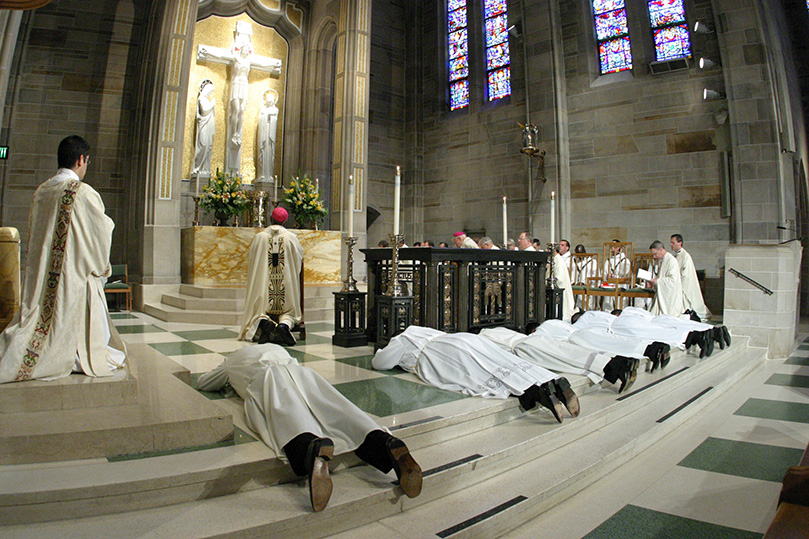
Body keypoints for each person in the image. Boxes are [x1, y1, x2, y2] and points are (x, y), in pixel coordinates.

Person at [197, 344, 422, 512]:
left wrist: (228, 373)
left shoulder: (233, 359)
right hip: (304, 375)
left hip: (267, 379)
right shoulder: (277, 348)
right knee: (341, 413)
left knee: (289, 418)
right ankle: (385, 442)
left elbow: (206, 383)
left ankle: (310, 448)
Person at [0, 135, 126, 383]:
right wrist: (102, 269)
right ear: (82, 159)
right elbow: (100, 235)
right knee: (87, 338)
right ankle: (74, 354)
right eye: (87, 162)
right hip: (72, 278)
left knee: (39, 325)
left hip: (41, 279)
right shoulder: (83, 193)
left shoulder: (42, 191)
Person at [372, 325, 579, 423]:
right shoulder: (417, 328)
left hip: (442, 353)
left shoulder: (401, 339)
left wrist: (381, 349)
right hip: (462, 339)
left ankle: (535, 393)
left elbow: (381, 363)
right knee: (500, 361)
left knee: (480, 374)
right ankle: (548, 382)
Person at [480, 326, 639, 393]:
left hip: (527, 348)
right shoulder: (496, 331)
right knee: (571, 355)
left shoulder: (483, 336)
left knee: (568, 360)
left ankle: (613, 367)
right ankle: (616, 365)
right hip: (532, 342)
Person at [239, 207, 303, 346]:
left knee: (259, 308)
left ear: (270, 219)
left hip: (264, 289)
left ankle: (263, 322)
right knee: (289, 311)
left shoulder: (260, 237)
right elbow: (299, 259)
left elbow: (252, 259)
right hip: (286, 289)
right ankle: (284, 325)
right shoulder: (291, 238)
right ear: (285, 221)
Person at [670, 234, 711, 321]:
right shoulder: (677, 255)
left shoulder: (685, 256)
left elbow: (686, 274)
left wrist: (677, 282)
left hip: (683, 284)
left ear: (680, 243)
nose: (671, 245)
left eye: (673, 243)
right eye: (671, 243)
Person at [648, 240, 684, 316]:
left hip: (670, 299)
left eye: (655, 254)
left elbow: (673, 281)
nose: (654, 257)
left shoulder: (671, 261)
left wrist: (658, 281)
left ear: (661, 249)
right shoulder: (663, 260)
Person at [192, 80, 215, 178]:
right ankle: (198, 167)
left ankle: (205, 169)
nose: (210, 94)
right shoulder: (201, 99)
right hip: (203, 125)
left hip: (209, 125)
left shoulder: (208, 101)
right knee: (203, 144)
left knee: (208, 146)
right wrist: (212, 105)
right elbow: (204, 111)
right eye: (210, 92)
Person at [256, 89, 279, 183]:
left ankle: (269, 175)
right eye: (268, 99)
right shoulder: (263, 110)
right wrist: (265, 117)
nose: (270, 100)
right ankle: (261, 174)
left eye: (271, 99)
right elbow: (261, 120)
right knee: (263, 153)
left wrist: (270, 117)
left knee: (270, 153)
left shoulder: (275, 110)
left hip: (270, 137)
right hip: (264, 135)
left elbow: (275, 120)